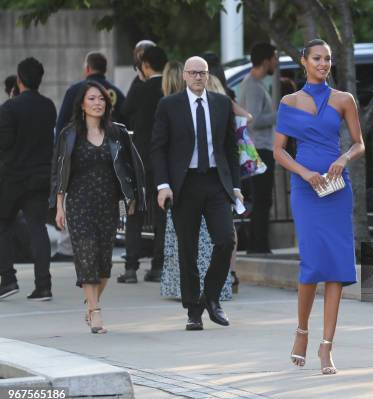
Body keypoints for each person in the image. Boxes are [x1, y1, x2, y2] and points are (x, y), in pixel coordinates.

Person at [274, 39, 365, 375]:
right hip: (305, 187)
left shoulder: (344, 100)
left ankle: (326, 347)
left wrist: (343, 158)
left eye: (328, 59)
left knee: (337, 267)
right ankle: (301, 332)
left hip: (336, 189)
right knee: (311, 263)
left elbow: (359, 143)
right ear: (303, 61)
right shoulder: (289, 101)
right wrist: (305, 173)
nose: (323, 63)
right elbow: (279, 151)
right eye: (317, 58)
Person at [150, 56, 241, 331]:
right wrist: (163, 185)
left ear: (208, 74)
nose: (198, 77)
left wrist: (235, 186)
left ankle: (211, 297)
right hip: (184, 184)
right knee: (187, 248)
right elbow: (158, 148)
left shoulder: (222, 104)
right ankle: (193, 309)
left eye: (202, 73)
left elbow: (230, 149)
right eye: (193, 73)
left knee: (225, 240)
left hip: (216, 182)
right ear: (185, 76)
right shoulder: (169, 105)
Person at [50, 81, 145, 333]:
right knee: (86, 255)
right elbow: (59, 173)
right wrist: (59, 206)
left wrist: (129, 202)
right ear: (82, 104)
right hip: (79, 204)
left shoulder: (117, 133)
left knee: (105, 265)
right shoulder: (69, 134)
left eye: (101, 99)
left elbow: (129, 170)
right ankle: (95, 312)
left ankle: (91, 303)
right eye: (92, 99)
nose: (97, 103)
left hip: (109, 205)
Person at [0, 57, 56, 301]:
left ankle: (8, 278)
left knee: (3, 225)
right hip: (40, 177)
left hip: (13, 177)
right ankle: (43, 284)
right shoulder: (48, 106)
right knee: (37, 228)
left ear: (19, 79)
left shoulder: (9, 108)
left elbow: (4, 144)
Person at [118, 45, 168, 284]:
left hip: (139, 158)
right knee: (161, 214)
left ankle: (130, 268)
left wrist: (138, 82)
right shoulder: (170, 89)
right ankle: (158, 266)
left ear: (145, 65)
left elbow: (124, 111)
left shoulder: (141, 88)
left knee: (135, 213)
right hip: (162, 160)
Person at [239, 42, 278, 254]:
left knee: (262, 198)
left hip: (260, 147)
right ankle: (258, 245)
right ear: (266, 60)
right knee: (262, 198)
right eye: (274, 58)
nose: (276, 62)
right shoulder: (253, 86)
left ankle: (258, 244)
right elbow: (252, 119)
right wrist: (279, 115)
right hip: (259, 148)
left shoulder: (256, 83)